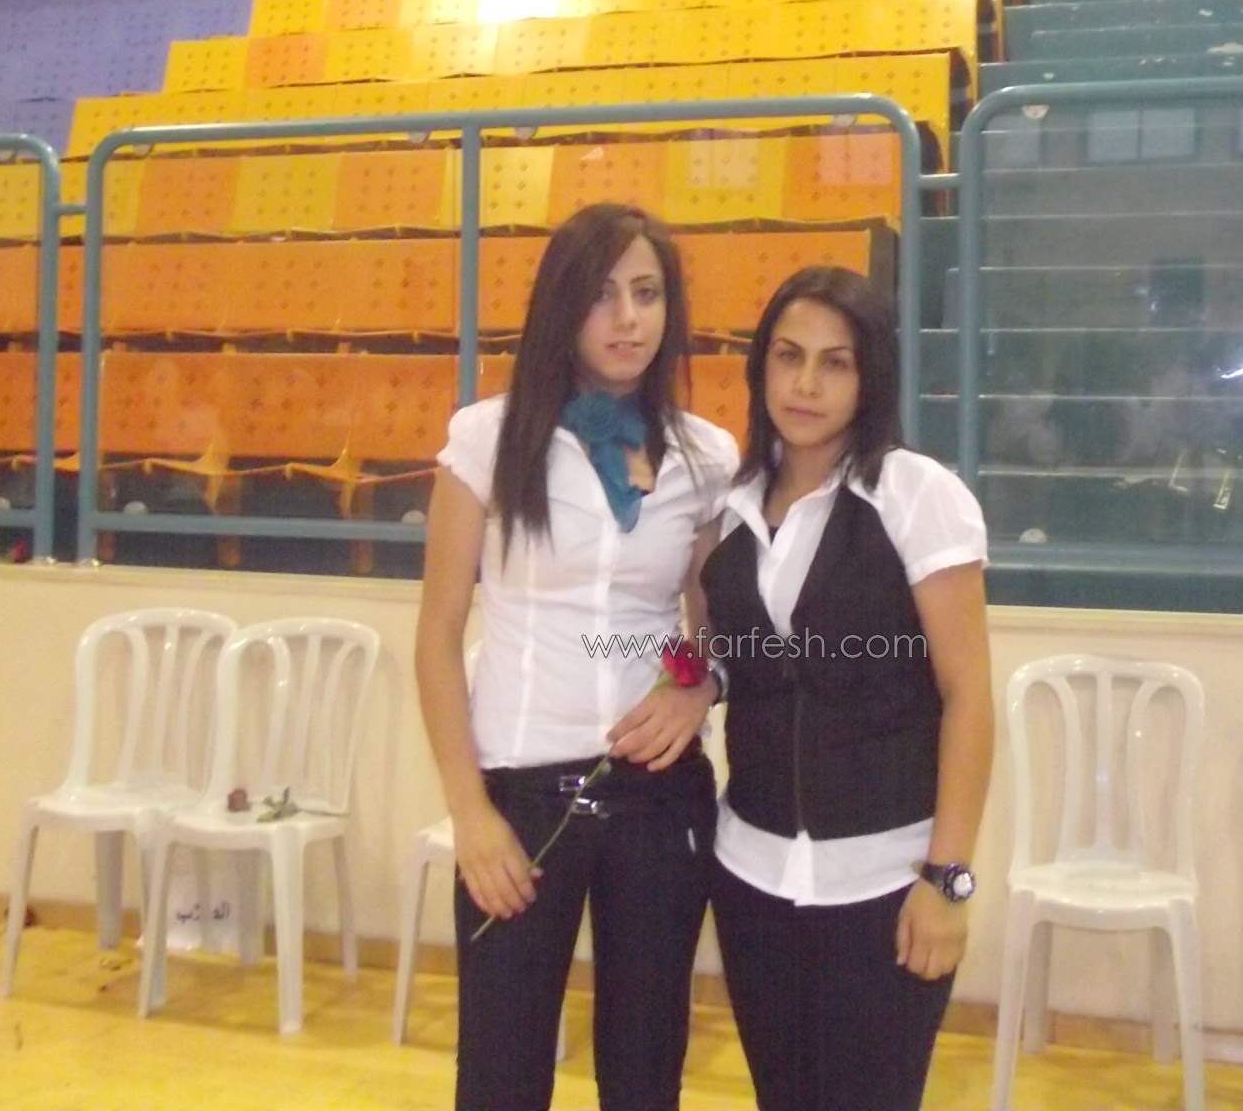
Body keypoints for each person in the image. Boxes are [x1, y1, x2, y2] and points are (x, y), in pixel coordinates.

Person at [415, 202, 738, 1111]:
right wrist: (470, 814)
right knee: (501, 1079)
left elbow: (712, 626)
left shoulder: (706, 456)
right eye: (602, 295)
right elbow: (437, 636)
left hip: (659, 795)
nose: (628, 318)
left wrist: (699, 688)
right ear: (562, 306)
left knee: (644, 1077)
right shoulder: (486, 439)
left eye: (647, 294)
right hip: (520, 800)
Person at [701, 266, 994, 1111]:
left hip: (887, 887)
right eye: (788, 356)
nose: (806, 384)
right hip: (750, 877)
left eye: (836, 363)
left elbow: (969, 697)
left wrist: (949, 881)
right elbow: (720, 653)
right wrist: (692, 679)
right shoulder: (730, 506)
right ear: (760, 365)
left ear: (870, 379)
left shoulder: (917, 496)